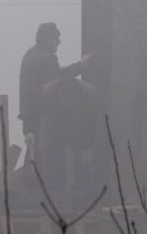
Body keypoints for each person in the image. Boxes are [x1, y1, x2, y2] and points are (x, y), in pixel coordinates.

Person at [18, 22, 91, 188]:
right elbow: (56, 85)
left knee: (33, 160)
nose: (59, 42)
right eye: (56, 38)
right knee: (51, 162)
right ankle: (49, 199)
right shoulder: (47, 59)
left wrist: (27, 127)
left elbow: (53, 77)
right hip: (45, 120)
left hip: (31, 118)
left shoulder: (30, 55)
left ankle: (31, 195)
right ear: (48, 39)